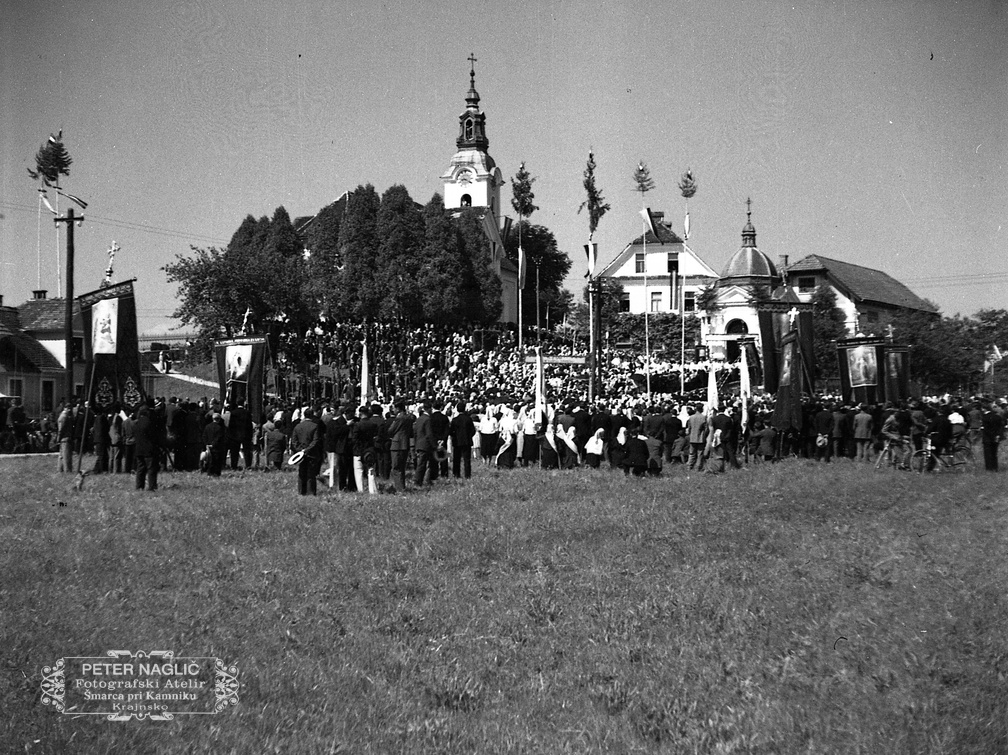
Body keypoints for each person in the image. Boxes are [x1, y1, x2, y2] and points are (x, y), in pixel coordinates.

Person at [291, 407, 323, 495]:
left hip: (300, 453)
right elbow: (315, 440)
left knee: (301, 472)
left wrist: (299, 450)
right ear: (312, 415)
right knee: (311, 474)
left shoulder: (298, 426)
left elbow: (294, 440)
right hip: (311, 453)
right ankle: (311, 492)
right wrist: (307, 449)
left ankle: (301, 491)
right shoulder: (315, 426)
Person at [134, 403, 162, 491]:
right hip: (149, 449)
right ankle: (152, 486)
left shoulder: (137, 423)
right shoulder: (150, 423)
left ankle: (139, 486)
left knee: (140, 469)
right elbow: (154, 436)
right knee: (151, 469)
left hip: (139, 448)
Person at [389, 400, 414, 490]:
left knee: (396, 467)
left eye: (394, 408)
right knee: (402, 468)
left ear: (398, 408)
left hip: (397, 444)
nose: (393, 410)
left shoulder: (399, 418)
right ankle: (402, 486)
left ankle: (399, 488)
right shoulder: (409, 417)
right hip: (405, 443)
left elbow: (391, 430)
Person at [449, 400, 476, 479]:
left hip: (457, 441)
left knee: (456, 459)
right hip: (467, 441)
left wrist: (454, 436)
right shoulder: (468, 419)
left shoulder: (454, 420)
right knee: (467, 460)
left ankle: (456, 474)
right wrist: (469, 436)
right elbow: (473, 430)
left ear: (457, 409)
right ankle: (467, 475)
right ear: (464, 409)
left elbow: (451, 431)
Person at [413, 401, 436, 486]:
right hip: (426, 444)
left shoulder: (419, 419)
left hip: (419, 443)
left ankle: (420, 480)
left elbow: (415, 432)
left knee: (421, 464)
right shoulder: (428, 419)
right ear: (429, 409)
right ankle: (418, 480)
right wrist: (434, 445)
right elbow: (429, 433)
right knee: (423, 464)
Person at [980, 399, 1004, 471]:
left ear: (984, 409)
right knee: (994, 453)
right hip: (996, 437)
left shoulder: (985, 418)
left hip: (987, 438)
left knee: (987, 454)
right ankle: (995, 467)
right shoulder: (997, 417)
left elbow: (986, 429)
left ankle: (989, 468)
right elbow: (1001, 427)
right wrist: (998, 435)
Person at [57, 403, 74, 473]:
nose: (70, 410)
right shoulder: (64, 416)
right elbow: (61, 428)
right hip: (65, 437)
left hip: (64, 438)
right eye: (69, 409)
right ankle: (67, 470)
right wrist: (59, 437)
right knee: (66, 455)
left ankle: (60, 469)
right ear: (65, 408)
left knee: (61, 455)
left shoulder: (66, 416)